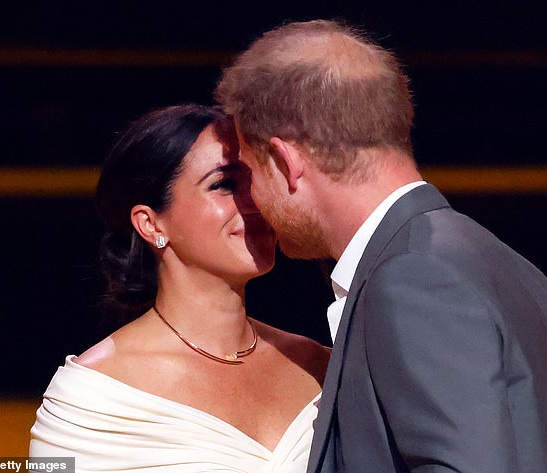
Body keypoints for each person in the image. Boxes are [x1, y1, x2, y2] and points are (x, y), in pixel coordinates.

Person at [215, 19, 547, 473]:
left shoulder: (414, 279)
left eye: (248, 174)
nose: (252, 201)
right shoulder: (522, 277)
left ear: (286, 162)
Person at [30, 104, 330, 472]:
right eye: (224, 184)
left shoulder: (319, 365)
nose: (255, 202)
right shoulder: (88, 401)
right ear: (151, 224)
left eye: (255, 181)